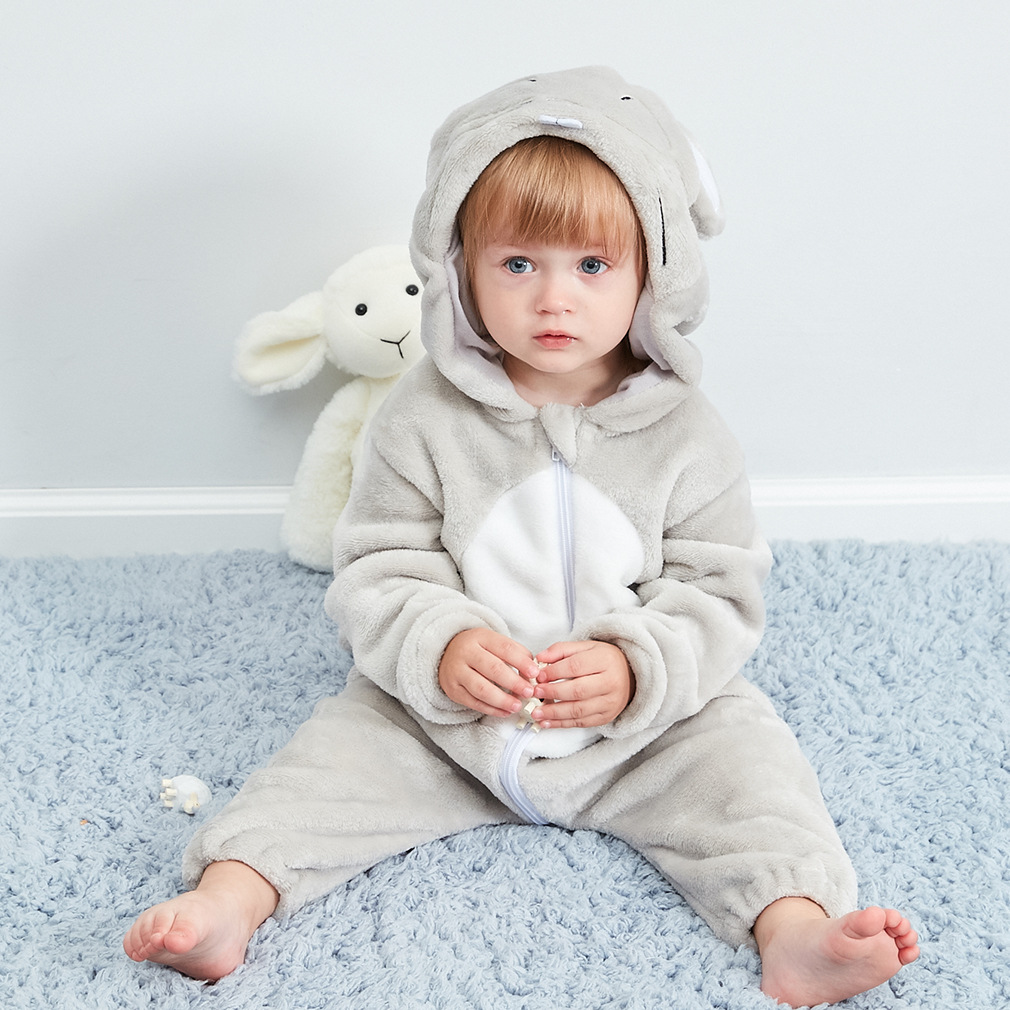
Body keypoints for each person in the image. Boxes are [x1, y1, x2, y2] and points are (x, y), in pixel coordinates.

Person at [123, 67, 919, 1006]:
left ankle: (795, 933)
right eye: (517, 264)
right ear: (460, 265)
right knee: (322, 769)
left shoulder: (687, 434)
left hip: (646, 729)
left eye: (592, 267)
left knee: (754, 779)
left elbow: (720, 589)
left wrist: (638, 667)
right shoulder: (422, 416)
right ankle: (227, 903)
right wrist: (441, 645)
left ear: (653, 275)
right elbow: (379, 561)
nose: (554, 300)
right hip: (442, 723)